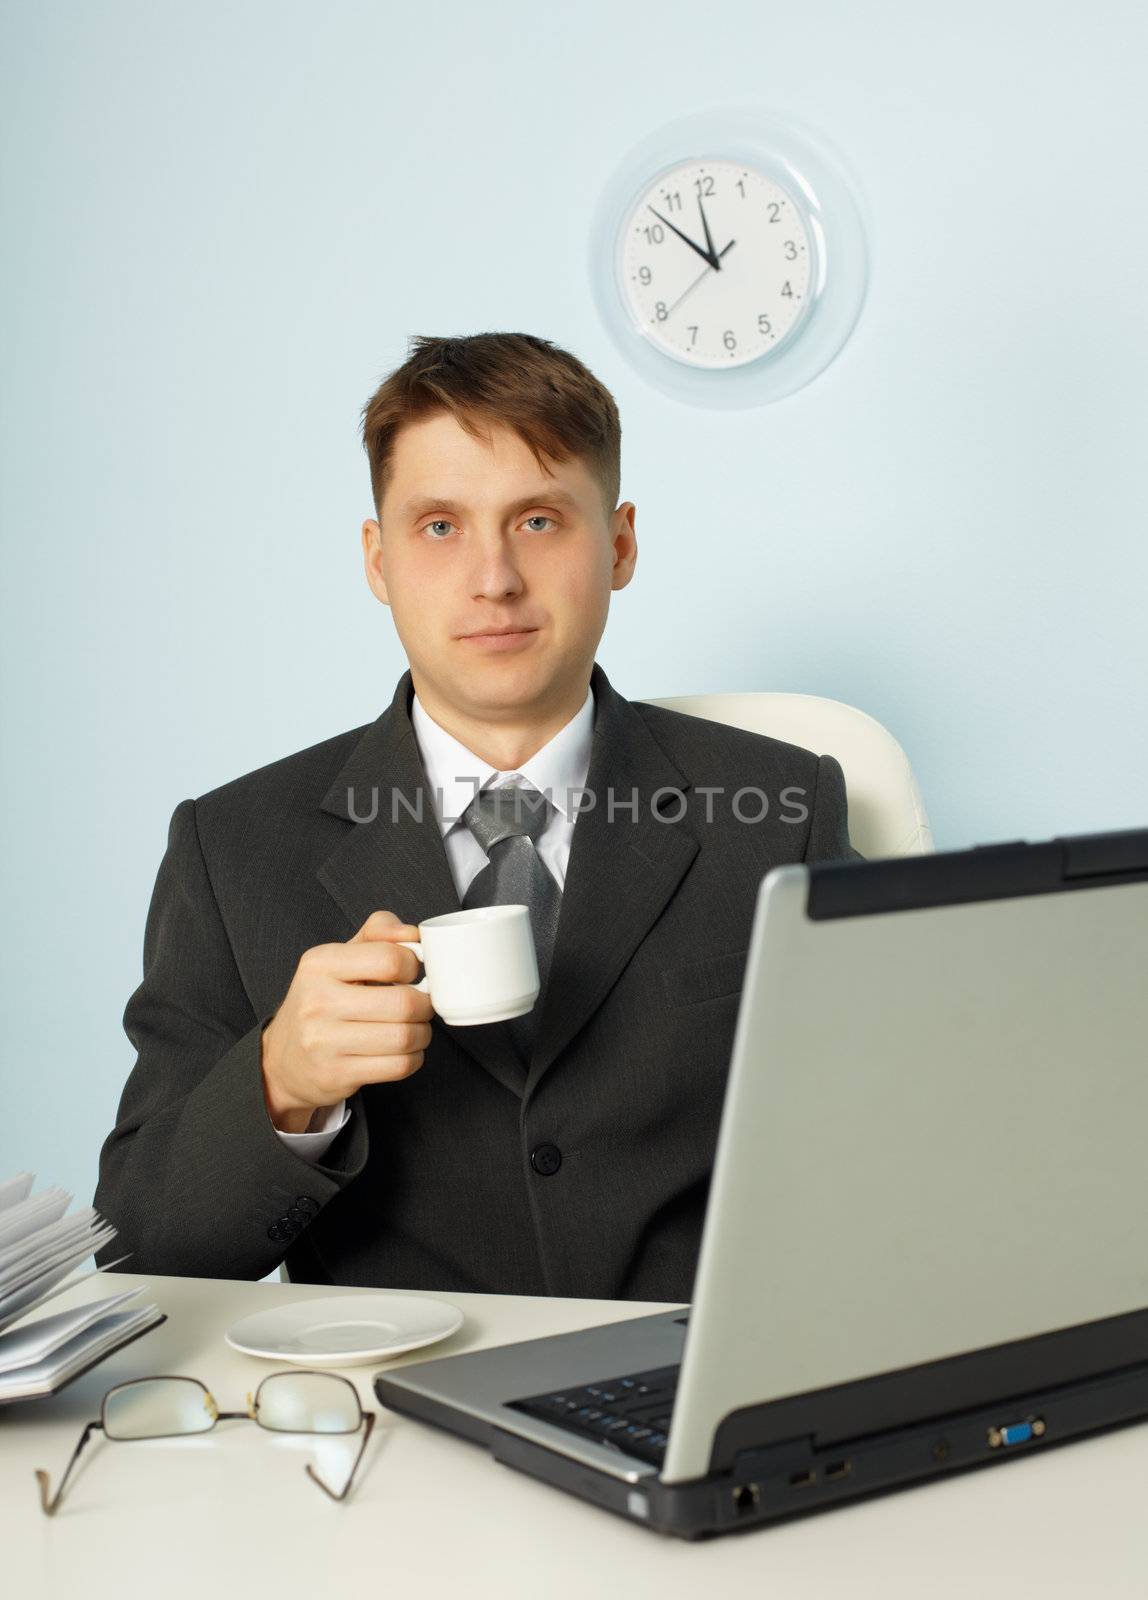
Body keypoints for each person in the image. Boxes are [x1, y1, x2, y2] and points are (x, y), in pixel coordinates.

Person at [94, 331, 861, 1302]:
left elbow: (885, 1150)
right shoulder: (231, 847)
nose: (493, 577)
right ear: (378, 559)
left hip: (689, 1402)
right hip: (387, 1420)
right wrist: (281, 1084)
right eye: (440, 527)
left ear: (618, 543)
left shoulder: (783, 810)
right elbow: (140, 1257)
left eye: (538, 521)